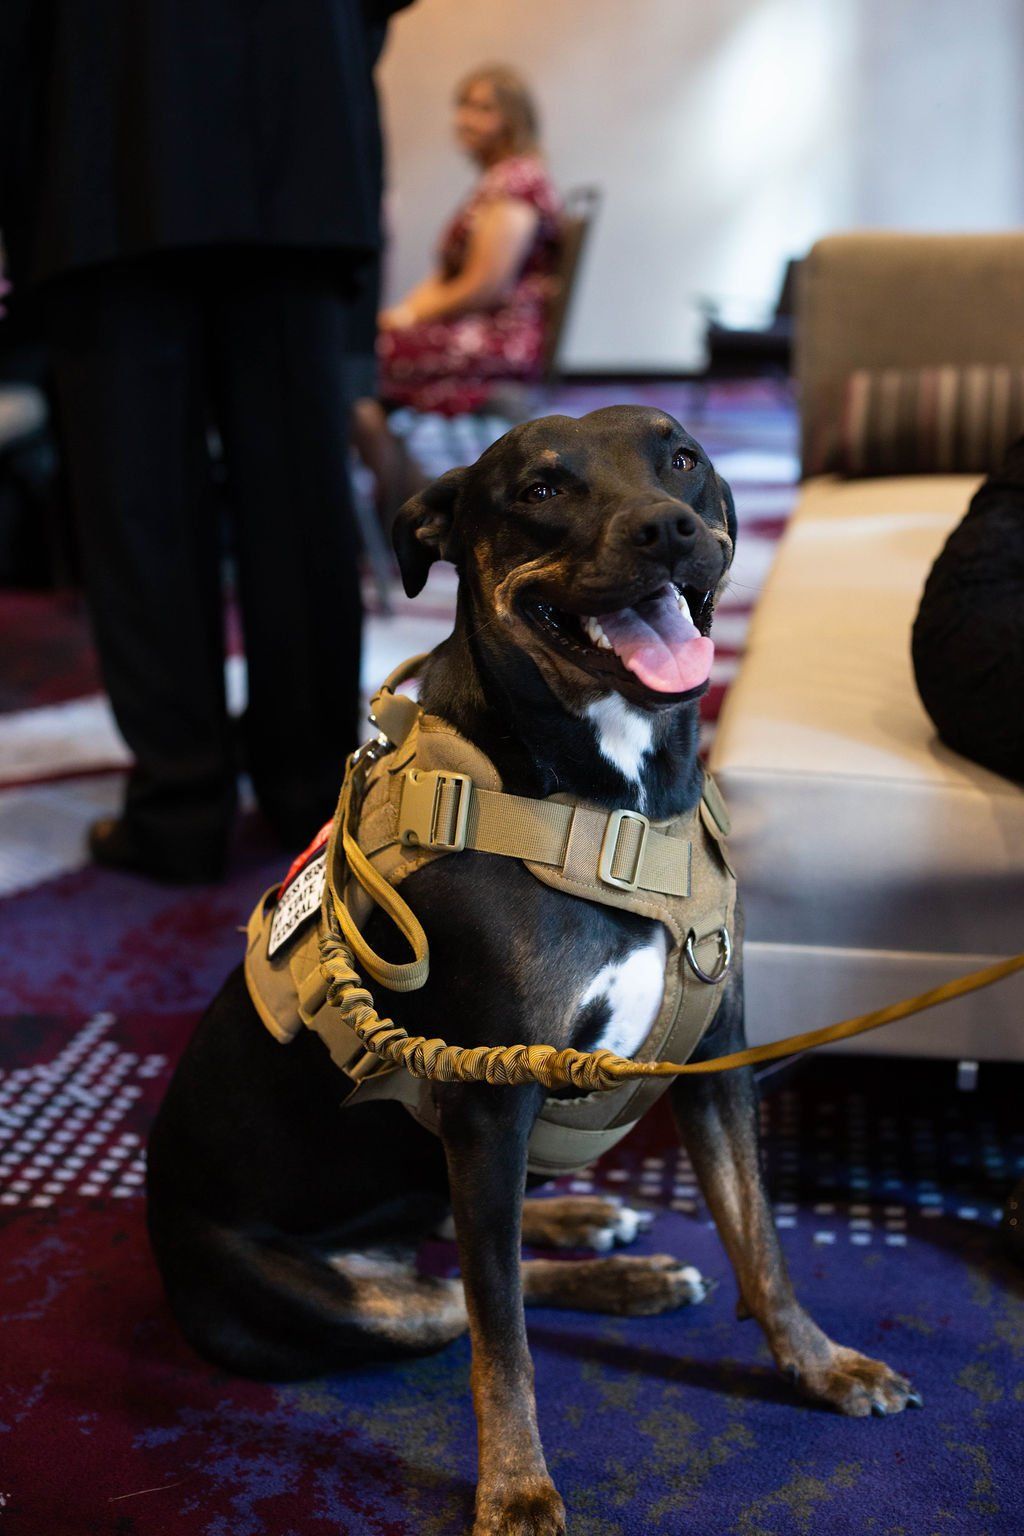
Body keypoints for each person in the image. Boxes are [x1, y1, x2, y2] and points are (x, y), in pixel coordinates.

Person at [0, 0, 412, 882]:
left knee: (137, 503)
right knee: (299, 497)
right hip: (292, 138)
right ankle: (310, 788)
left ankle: (180, 802)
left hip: (101, 138)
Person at [353, 64, 562, 522]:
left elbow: (486, 285)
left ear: (513, 117)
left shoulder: (515, 182)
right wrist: (402, 313)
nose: (465, 118)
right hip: (479, 332)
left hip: (497, 340)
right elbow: (450, 279)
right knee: (357, 363)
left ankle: (406, 508)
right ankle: (408, 495)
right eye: (463, 106)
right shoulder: (499, 180)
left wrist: (407, 317)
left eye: (483, 108)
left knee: (353, 364)